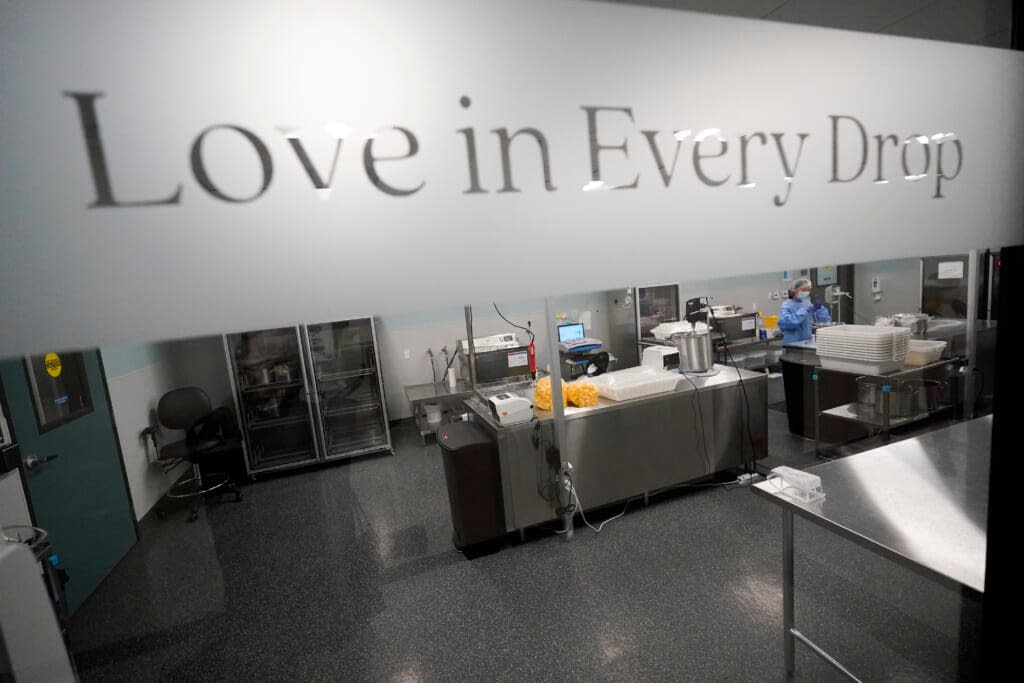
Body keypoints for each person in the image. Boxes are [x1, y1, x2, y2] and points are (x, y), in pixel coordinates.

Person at [778, 278, 831, 344]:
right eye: (803, 290)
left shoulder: (807, 304)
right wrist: (803, 312)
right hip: (792, 343)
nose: (806, 292)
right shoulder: (786, 305)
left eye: (808, 290)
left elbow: (824, 322)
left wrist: (820, 310)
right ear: (794, 290)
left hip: (807, 341)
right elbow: (786, 324)